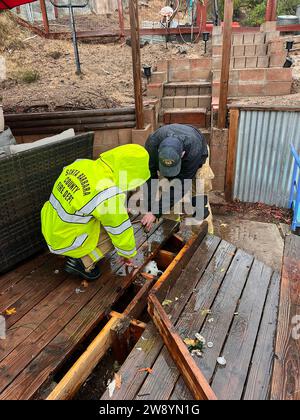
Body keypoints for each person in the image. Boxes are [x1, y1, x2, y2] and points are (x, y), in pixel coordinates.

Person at [41, 144, 150, 282]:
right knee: (116, 233)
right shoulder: (107, 192)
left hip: (50, 228)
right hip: (65, 240)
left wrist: (117, 209)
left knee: (111, 220)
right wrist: (127, 254)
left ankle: (73, 253)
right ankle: (83, 262)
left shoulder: (82, 164)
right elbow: (120, 230)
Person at [141, 124, 214, 232]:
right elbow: (149, 177)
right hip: (172, 154)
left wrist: (155, 212)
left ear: (182, 154)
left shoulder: (193, 149)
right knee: (166, 204)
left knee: (198, 206)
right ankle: (170, 232)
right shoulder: (152, 145)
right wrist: (150, 209)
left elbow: (180, 187)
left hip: (197, 161)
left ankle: (206, 239)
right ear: (158, 153)